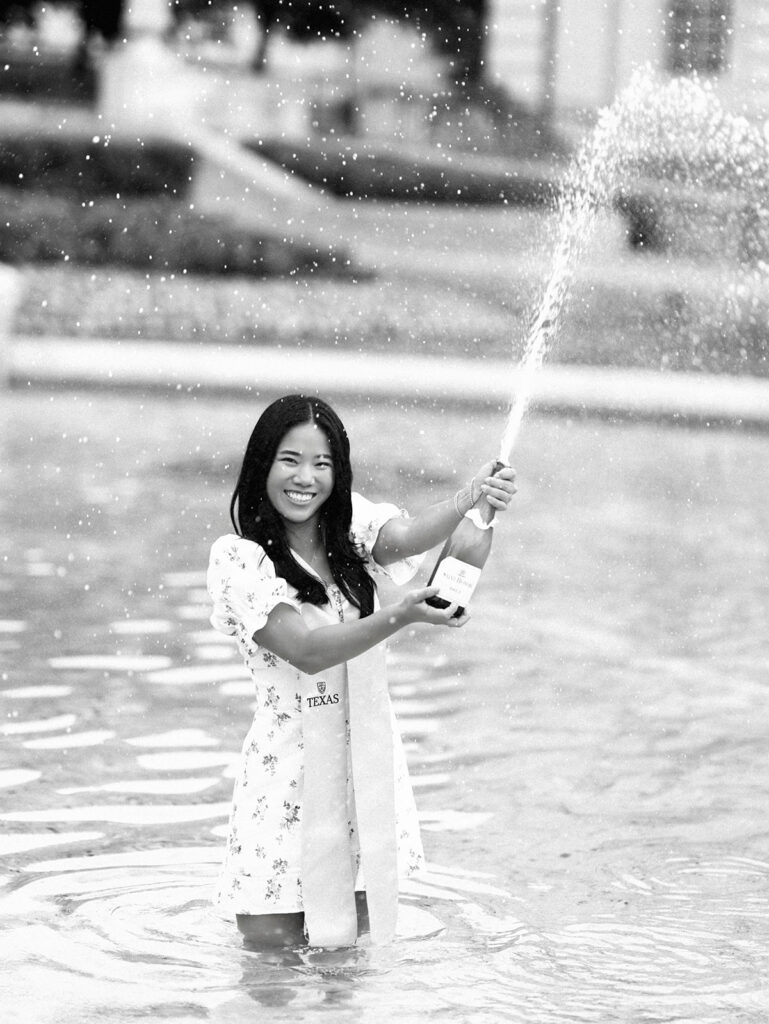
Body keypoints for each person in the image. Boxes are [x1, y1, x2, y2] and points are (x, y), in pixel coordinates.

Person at [207, 394, 517, 949]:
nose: (306, 478)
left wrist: (475, 499)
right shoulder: (239, 559)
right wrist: (399, 613)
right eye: (290, 460)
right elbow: (306, 650)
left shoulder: (350, 532)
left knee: (346, 964)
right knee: (270, 965)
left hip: (365, 769)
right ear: (262, 465)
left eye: (322, 464)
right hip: (286, 779)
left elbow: (407, 537)